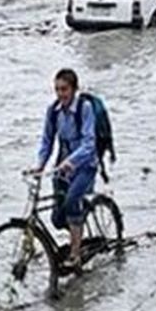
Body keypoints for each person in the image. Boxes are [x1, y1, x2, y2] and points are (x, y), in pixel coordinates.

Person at [32, 69, 98, 273]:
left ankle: (76, 255)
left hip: (85, 166)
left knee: (70, 203)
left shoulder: (84, 109)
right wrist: (40, 164)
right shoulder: (53, 111)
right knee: (57, 218)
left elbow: (89, 143)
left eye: (65, 89)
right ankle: (78, 234)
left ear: (74, 89)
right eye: (57, 90)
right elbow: (47, 140)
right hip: (62, 167)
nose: (61, 94)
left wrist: (72, 161)